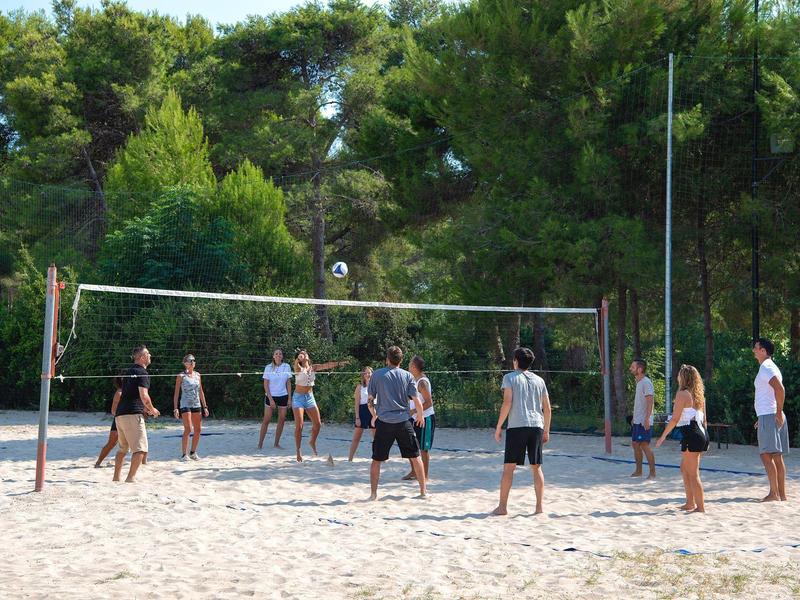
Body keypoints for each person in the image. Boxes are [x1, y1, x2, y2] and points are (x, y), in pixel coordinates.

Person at [491, 347, 551, 516]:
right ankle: (539, 507)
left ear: (516, 361)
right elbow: (547, 408)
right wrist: (546, 430)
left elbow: (507, 403)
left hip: (517, 426)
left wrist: (498, 426)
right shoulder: (539, 380)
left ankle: (502, 507)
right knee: (536, 467)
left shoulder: (509, 378)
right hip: (536, 425)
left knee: (509, 467)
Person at [367, 346, 427, 500]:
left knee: (376, 460)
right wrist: (420, 416)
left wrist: (374, 415)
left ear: (387, 359)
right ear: (401, 360)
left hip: (384, 421)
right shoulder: (407, 376)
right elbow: (416, 400)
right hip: (403, 421)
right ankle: (423, 492)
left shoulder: (377, 375)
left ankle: (373, 494)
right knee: (416, 456)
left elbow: (370, 401)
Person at [656, 364, 709, 513]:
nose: (678, 377)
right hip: (700, 433)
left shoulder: (683, 394)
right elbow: (705, 420)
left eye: (680, 375)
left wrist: (662, 436)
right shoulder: (699, 395)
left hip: (692, 433)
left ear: (683, 378)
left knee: (693, 473)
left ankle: (700, 507)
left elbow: (675, 419)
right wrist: (705, 440)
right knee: (685, 468)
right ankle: (690, 503)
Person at [113, 346, 160, 483]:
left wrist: (144, 408)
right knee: (140, 449)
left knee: (122, 449)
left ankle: (116, 478)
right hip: (132, 415)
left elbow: (131, 395)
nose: (150, 355)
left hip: (120, 414)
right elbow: (144, 395)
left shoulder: (129, 371)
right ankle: (130, 478)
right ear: (142, 357)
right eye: (148, 354)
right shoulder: (142, 372)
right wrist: (152, 409)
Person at [292, 349, 347, 462]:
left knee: (318, 424)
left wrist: (338, 363)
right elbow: (296, 365)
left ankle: (312, 441)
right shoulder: (298, 368)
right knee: (299, 426)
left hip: (309, 397)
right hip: (298, 398)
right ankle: (298, 450)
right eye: (302, 354)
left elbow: (326, 365)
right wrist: (298, 358)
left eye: (305, 353)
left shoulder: (313, 367)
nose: (304, 354)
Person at [752, 338, 789, 502]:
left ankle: (774, 494)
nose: (754, 350)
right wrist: (763, 417)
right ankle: (781, 494)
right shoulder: (771, 366)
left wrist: (778, 412)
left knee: (766, 455)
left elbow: (780, 389)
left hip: (771, 415)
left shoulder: (766, 367)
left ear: (763, 351)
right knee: (776, 456)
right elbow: (770, 394)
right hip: (768, 415)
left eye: (756, 348)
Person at [402, 356, 435, 481]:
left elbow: (429, 403)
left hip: (425, 418)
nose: (408, 366)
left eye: (410, 364)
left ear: (414, 367)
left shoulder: (422, 382)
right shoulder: (413, 379)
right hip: (413, 418)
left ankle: (424, 476)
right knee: (410, 446)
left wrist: (414, 411)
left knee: (423, 449)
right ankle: (414, 471)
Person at [172, 354, 209, 461]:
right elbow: (176, 393)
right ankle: (184, 454)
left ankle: (193, 452)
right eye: (190, 360)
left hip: (196, 404)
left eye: (194, 360)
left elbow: (200, 391)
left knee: (198, 429)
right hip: (185, 404)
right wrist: (175, 408)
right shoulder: (181, 376)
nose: (193, 362)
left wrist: (205, 406)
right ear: (185, 363)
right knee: (188, 428)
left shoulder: (198, 375)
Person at [259, 348, 292, 449]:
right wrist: (271, 399)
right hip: (271, 396)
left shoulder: (286, 366)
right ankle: (260, 444)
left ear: (282, 356)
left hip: (283, 395)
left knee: (282, 419)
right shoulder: (268, 367)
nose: (278, 355)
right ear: (273, 356)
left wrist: (289, 398)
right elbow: (265, 385)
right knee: (266, 419)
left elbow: (288, 383)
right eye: (276, 354)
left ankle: (276, 444)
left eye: (280, 354)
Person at [629, 358, 656, 479]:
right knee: (635, 444)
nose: (630, 369)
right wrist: (634, 418)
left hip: (643, 420)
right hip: (637, 420)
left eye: (633, 367)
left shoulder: (646, 382)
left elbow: (650, 402)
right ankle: (638, 471)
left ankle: (652, 473)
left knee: (644, 445)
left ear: (639, 369)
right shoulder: (639, 382)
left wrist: (647, 419)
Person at [348, 366, 375, 461]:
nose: (367, 374)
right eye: (365, 373)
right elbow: (356, 404)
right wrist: (357, 417)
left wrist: (376, 415)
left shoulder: (376, 386)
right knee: (356, 437)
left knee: (376, 437)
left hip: (373, 411)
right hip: (363, 410)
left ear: (372, 374)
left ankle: (377, 458)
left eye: (369, 373)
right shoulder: (360, 387)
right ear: (363, 375)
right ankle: (350, 458)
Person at [94, 376, 122, 468]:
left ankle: (142, 463)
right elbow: (113, 411)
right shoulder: (119, 392)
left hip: (128, 420)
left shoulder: (131, 391)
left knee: (132, 443)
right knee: (111, 443)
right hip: (119, 420)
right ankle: (98, 462)